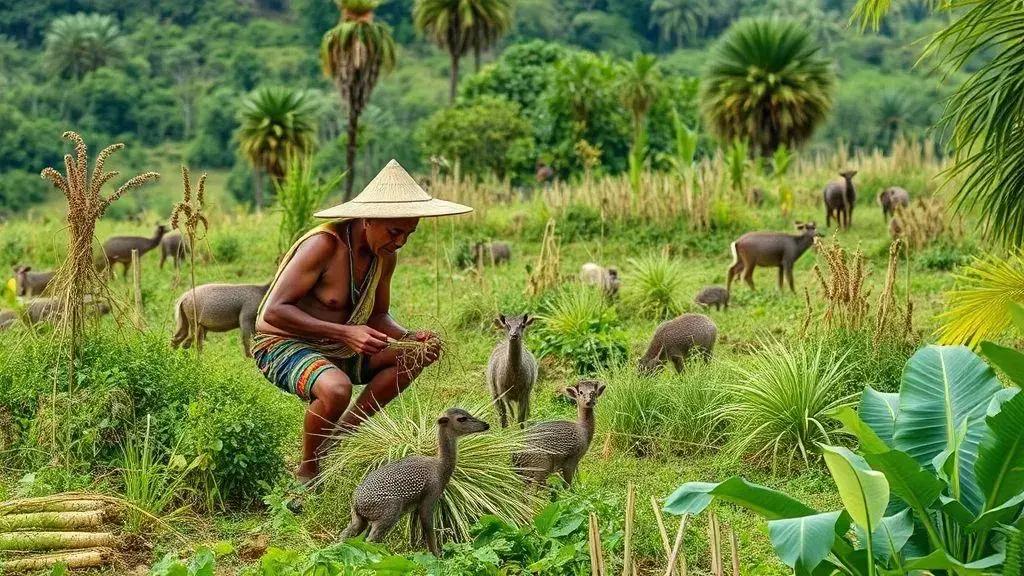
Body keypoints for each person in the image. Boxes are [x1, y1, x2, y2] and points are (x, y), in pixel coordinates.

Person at [253, 159, 472, 488]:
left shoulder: (384, 255)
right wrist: (344, 332)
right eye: (395, 232)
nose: (399, 242)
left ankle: (339, 440)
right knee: (336, 387)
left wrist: (409, 337)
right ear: (368, 219)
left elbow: (378, 315)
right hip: (283, 345)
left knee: (414, 355)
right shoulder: (324, 246)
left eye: (408, 235)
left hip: (341, 346)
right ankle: (309, 472)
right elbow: (272, 312)